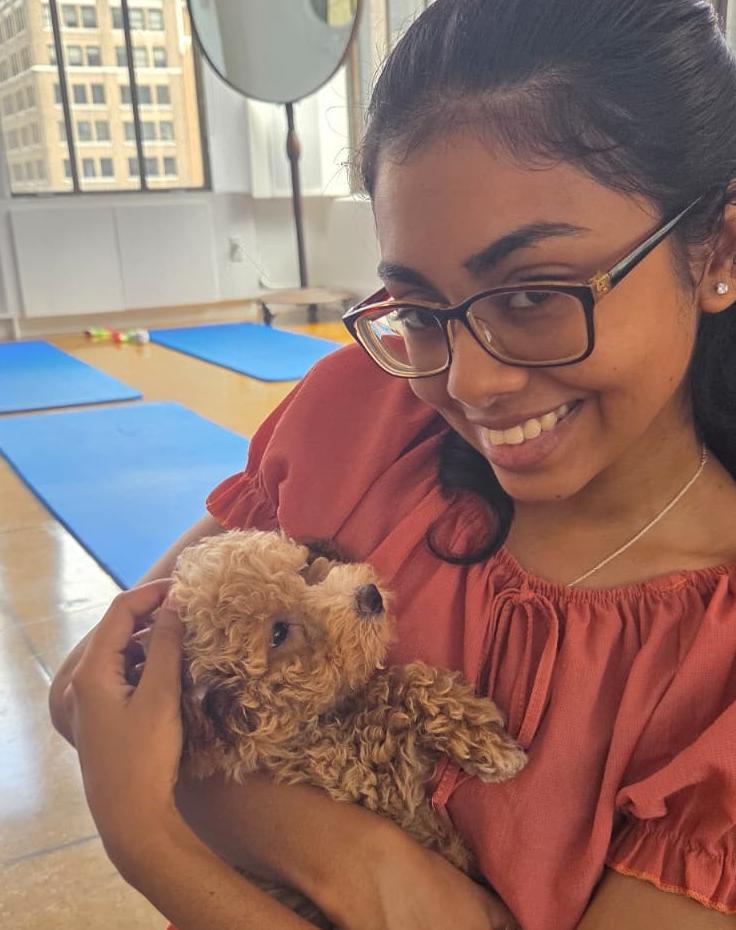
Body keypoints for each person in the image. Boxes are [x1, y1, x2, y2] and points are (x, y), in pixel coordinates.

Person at [49, 0, 736, 927]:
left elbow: (129, 757)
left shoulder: (713, 664)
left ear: (717, 251)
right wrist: (369, 866)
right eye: (416, 310)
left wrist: (149, 838)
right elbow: (93, 690)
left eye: (533, 295)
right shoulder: (360, 415)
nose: (470, 382)